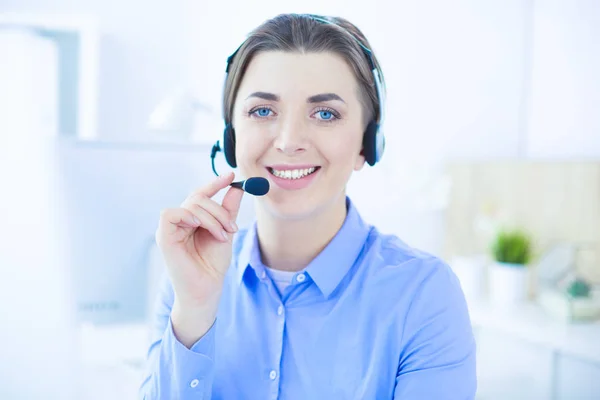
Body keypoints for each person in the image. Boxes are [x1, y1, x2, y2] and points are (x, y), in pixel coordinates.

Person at [139, 13, 476, 400]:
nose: (289, 141)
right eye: (263, 111)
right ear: (231, 139)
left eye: (325, 113)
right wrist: (195, 313)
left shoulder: (423, 295)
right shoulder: (187, 281)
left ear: (367, 144)